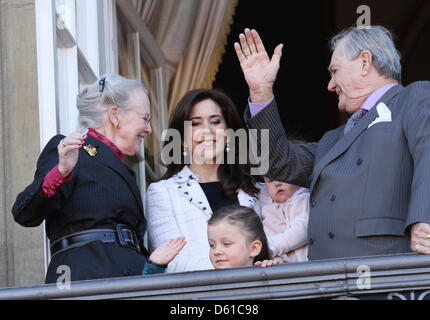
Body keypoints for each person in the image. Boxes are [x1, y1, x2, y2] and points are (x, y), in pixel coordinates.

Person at [234, 26, 430, 260]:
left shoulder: (412, 98)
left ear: (365, 62)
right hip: (326, 279)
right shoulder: (331, 140)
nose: (330, 85)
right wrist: (261, 93)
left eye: (335, 71)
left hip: (386, 275)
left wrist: (424, 220)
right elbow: (275, 163)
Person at [12, 74, 185, 283]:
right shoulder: (73, 150)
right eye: (145, 119)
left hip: (129, 279)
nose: (149, 129)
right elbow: (25, 214)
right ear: (115, 115)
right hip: (81, 277)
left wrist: (152, 264)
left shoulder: (125, 171)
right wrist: (60, 171)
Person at [146, 88, 264, 273]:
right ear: (182, 139)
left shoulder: (255, 188)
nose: (207, 131)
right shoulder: (163, 192)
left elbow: (268, 249)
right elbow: (173, 261)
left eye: (215, 122)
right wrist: (234, 272)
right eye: (195, 123)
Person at [260, 177, 309, 263]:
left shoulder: (302, 199)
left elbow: (303, 230)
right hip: (277, 262)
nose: (277, 183)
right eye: (270, 180)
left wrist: (272, 245)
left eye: (281, 176)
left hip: (300, 266)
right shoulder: (267, 208)